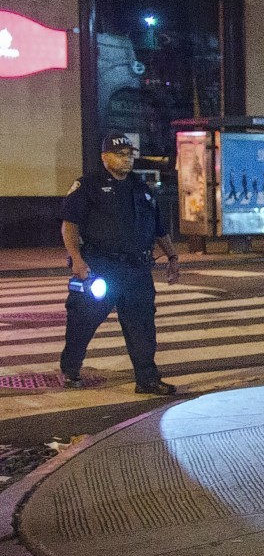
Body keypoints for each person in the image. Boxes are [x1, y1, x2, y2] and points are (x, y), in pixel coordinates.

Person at [59, 133, 181, 395]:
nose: (126, 160)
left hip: (137, 269)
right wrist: (77, 260)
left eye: (129, 154)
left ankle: (147, 379)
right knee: (84, 319)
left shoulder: (140, 187)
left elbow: (158, 227)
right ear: (105, 157)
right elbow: (70, 224)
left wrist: (172, 257)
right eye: (120, 154)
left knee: (142, 324)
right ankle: (70, 369)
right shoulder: (88, 185)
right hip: (101, 267)